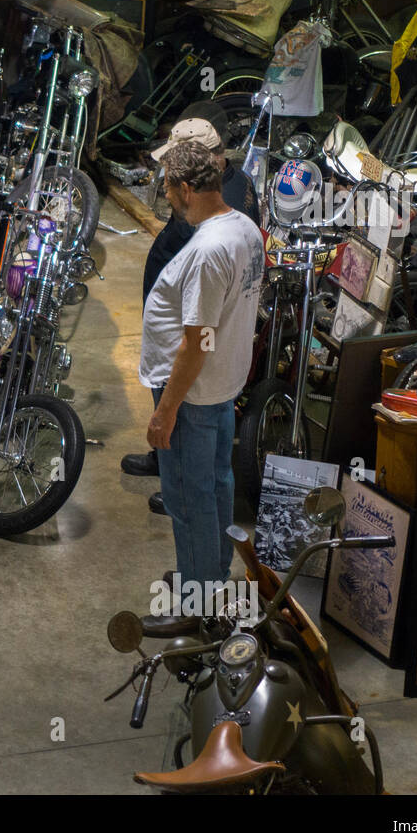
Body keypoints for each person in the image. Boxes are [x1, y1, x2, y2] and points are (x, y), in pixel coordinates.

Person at [138, 140, 263, 586]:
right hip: (221, 386)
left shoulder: (208, 251)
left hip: (193, 393)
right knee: (216, 484)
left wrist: (165, 410)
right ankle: (210, 572)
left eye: (169, 189)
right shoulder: (245, 228)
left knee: (189, 499)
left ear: (187, 188)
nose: (167, 198)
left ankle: (198, 602)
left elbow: (197, 341)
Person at [121, 105, 260, 505]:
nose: (165, 188)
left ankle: (177, 478)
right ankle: (169, 460)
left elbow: (198, 336)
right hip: (208, 364)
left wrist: (165, 412)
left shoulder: (211, 224)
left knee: (192, 486)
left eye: (170, 179)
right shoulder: (233, 194)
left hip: (195, 371)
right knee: (209, 476)